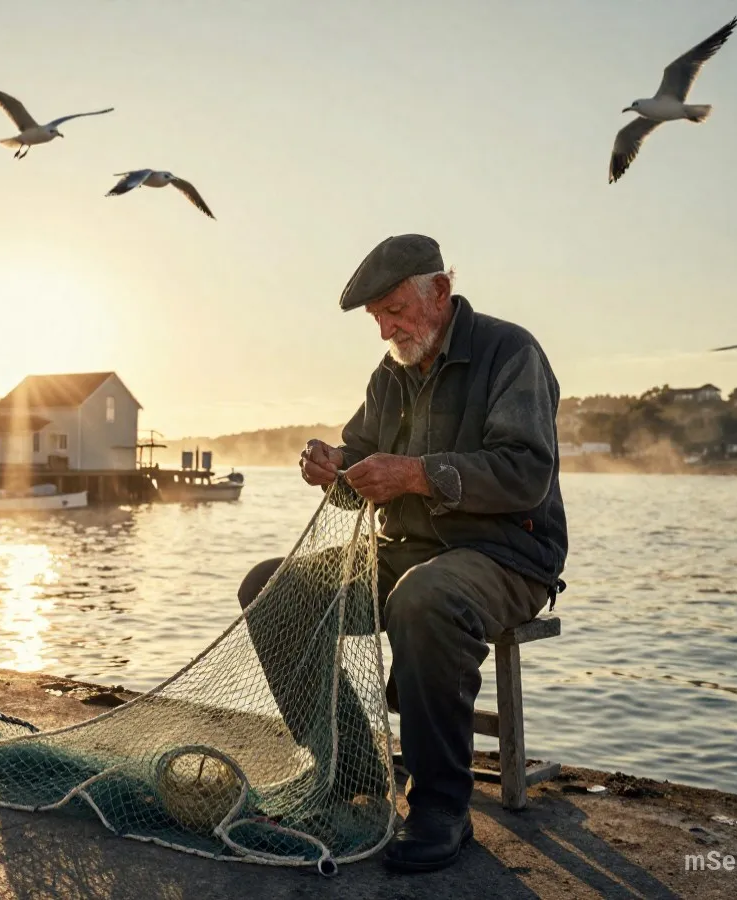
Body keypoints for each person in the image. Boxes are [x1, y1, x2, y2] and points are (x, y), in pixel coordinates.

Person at [236, 233, 568, 874]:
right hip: (400, 553)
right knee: (268, 586)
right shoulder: (388, 374)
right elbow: (363, 463)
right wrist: (333, 466)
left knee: (424, 596)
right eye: (377, 318)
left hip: (505, 556)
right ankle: (350, 767)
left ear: (439, 290)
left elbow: (526, 473)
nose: (386, 328)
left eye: (395, 309)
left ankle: (442, 808)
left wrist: (415, 474)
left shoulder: (511, 352)